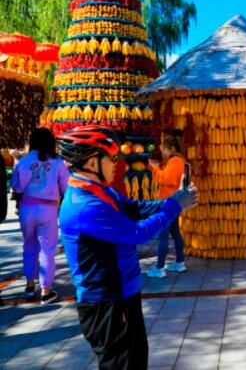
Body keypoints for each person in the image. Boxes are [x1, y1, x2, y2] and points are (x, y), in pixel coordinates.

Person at [57, 125, 198, 370]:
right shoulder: (85, 206)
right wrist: (174, 207)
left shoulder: (100, 191)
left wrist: (172, 200)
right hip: (107, 303)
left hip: (122, 296)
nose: (117, 163)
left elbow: (135, 208)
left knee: (136, 360)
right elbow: (137, 233)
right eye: (112, 158)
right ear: (92, 163)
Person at [10, 127, 69, 304]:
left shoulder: (23, 162)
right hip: (48, 209)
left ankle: (29, 286)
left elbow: (16, 187)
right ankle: (46, 291)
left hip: (27, 208)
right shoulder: (57, 162)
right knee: (47, 250)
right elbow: (65, 186)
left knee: (29, 245)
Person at [146, 134, 187, 278]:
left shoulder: (175, 161)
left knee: (163, 235)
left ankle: (159, 268)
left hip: (168, 203)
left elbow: (167, 179)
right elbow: (182, 181)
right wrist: (159, 167)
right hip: (176, 202)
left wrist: (156, 168)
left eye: (164, 150)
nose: (163, 153)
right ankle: (180, 262)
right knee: (175, 233)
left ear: (172, 149)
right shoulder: (182, 161)